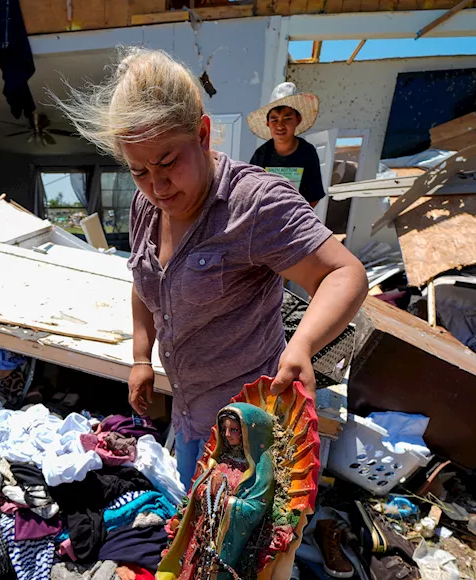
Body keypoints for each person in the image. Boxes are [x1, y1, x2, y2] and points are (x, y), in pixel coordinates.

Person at [57, 48, 368, 490]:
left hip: (251, 431)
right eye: (139, 171)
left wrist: (301, 347)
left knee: (245, 548)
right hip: (191, 416)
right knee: (198, 534)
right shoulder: (146, 206)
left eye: (167, 162)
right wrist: (142, 358)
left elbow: (344, 274)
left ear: (203, 134)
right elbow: (146, 283)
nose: (157, 186)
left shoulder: (255, 204)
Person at [248, 82, 326, 207]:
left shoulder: (307, 153)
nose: (280, 125)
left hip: (296, 221)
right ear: (268, 124)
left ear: (297, 120)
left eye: (287, 118)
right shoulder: (261, 154)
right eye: (274, 120)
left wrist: (298, 218)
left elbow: (314, 196)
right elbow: (250, 191)